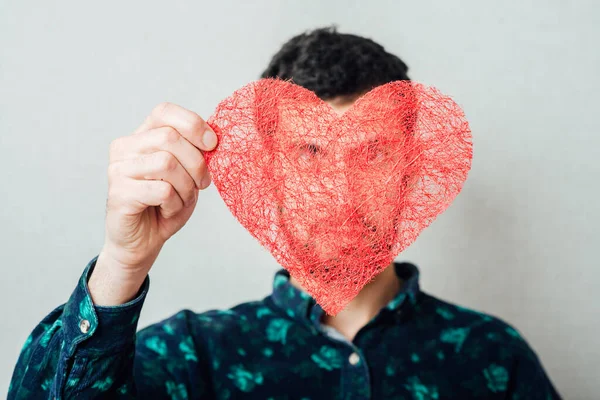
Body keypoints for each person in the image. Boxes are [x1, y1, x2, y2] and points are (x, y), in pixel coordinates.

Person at [8, 26, 561, 399]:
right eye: (311, 153)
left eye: (373, 154)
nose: (340, 188)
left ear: (411, 174)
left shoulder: (494, 359)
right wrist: (122, 262)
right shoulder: (190, 357)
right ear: (269, 175)